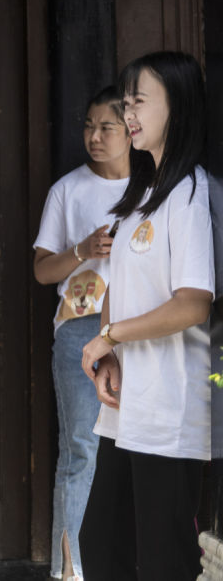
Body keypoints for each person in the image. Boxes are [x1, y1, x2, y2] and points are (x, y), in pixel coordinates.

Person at [78, 52, 213, 580]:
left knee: (163, 559)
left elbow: (193, 302)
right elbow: (121, 283)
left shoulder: (190, 193)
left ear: (176, 107)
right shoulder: (144, 193)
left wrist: (110, 335)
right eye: (126, 102)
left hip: (170, 407)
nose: (128, 113)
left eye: (138, 101)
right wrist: (109, 349)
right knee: (101, 542)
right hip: (129, 405)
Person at [33, 86, 132, 581]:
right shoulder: (67, 191)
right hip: (81, 330)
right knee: (80, 449)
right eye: (89, 126)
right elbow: (41, 271)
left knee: (143, 447)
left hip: (141, 329)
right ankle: (69, 572)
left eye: (106, 127)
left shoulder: (155, 189)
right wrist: (82, 250)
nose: (94, 136)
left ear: (131, 130)